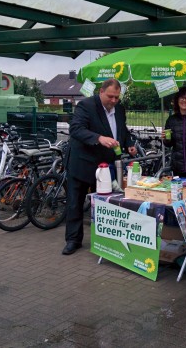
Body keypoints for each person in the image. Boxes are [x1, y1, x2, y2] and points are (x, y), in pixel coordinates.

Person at [62, 79, 137, 255]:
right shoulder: (86, 105)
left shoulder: (119, 108)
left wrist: (129, 144)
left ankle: (106, 242)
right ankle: (73, 240)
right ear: (101, 92)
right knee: (75, 203)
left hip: (106, 167)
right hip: (82, 163)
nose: (114, 101)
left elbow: (122, 130)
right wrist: (98, 138)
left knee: (106, 204)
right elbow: (76, 129)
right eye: (110, 96)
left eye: (117, 97)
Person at [162, 86, 186, 178]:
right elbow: (169, 144)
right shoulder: (171, 120)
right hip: (178, 167)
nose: (184, 100)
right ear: (177, 100)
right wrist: (166, 139)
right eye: (182, 98)